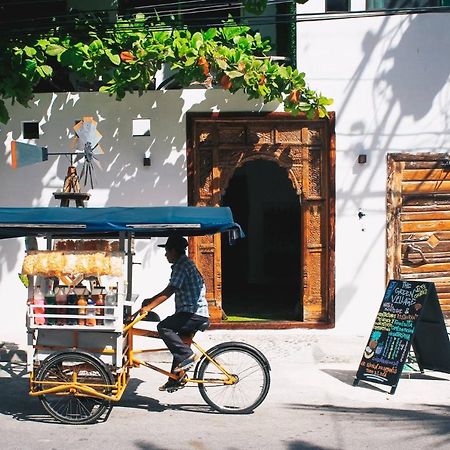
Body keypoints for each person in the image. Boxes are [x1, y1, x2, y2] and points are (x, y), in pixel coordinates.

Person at [140, 235, 210, 391]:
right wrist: (151, 300)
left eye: (166, 251)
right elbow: (170, 288)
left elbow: (171, 290)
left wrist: (149, 307)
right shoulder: (185, 264)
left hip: (193, 313)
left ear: (174, 251)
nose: (165, 255)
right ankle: (175, 379)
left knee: (164, 327)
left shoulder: (181, 265)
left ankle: (187, 355)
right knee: (179, 344)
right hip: (194, 312)